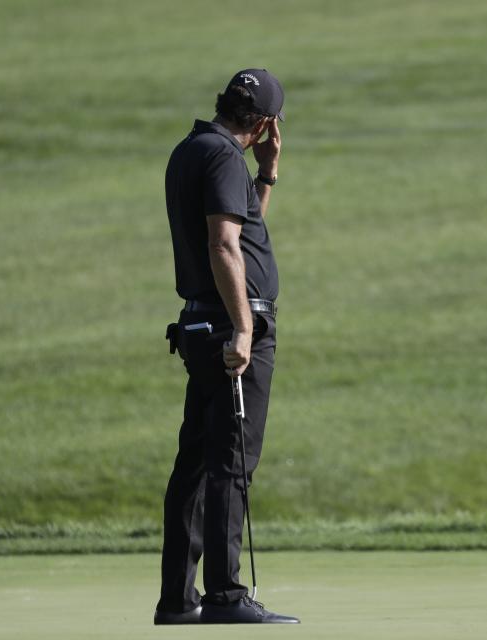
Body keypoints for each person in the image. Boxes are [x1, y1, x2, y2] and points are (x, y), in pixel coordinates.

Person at [153, 68, 298, 625]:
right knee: (230, 463)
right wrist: (243, 328)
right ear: (263, 124)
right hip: (230, 330)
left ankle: (178, 598)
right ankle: (225, 595)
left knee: (196, 462)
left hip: (204, 324)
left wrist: (267, 176)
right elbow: (223, 243)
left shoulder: (196, 150)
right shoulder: (218, 157)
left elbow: (242, 227)